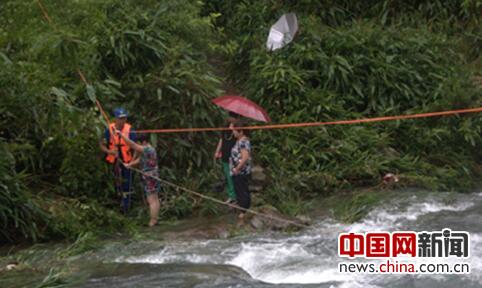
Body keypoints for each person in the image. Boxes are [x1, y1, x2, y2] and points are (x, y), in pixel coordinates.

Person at [117, 132, 161, 227]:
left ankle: (153, 221)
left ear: (144, 142)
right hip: (152, 175)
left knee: (152, 199)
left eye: (139, 143)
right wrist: (129, 164)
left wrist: (121, 135)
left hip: (150, 176)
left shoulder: (147, 149)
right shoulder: (150, 149)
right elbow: (140, 160)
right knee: (155, 198)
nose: (138, 145)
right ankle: (155, 219)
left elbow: (132, 145)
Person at [99, 107, 136, 214]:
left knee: (127, 183)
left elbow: (135, 147)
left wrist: (133, 162)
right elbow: (101, 144)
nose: (123, 120)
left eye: (124, 118)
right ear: (115, 118)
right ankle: (115, 205)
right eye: (120, 118)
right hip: (112, 160)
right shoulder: (108, 129)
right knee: (114, 183)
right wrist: (109, 152)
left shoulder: (130, 130)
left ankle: (126, 207)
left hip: (127, 161)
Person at [229, 120, 252, 221]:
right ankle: (242, 209)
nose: (233, 132)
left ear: (241, 131)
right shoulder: (239, 141)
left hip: (241, 172)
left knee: (242, 191)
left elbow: (245, 157)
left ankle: (244, 211)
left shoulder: (243, 142)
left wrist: (237, 168)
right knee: (239, 190)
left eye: (235, 131)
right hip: (236, 171)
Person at [214, 113, 238, 203]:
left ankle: (236, 196)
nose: (231, 119)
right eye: (230, 117)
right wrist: (217, 151)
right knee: (228, 176)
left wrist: (233, 129)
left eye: (234, 117)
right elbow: (221, 140)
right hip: (225, 155)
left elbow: (239, 138)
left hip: (234, 157)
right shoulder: (225, 128)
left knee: (234, 177)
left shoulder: (239, 128)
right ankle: (231, 195)